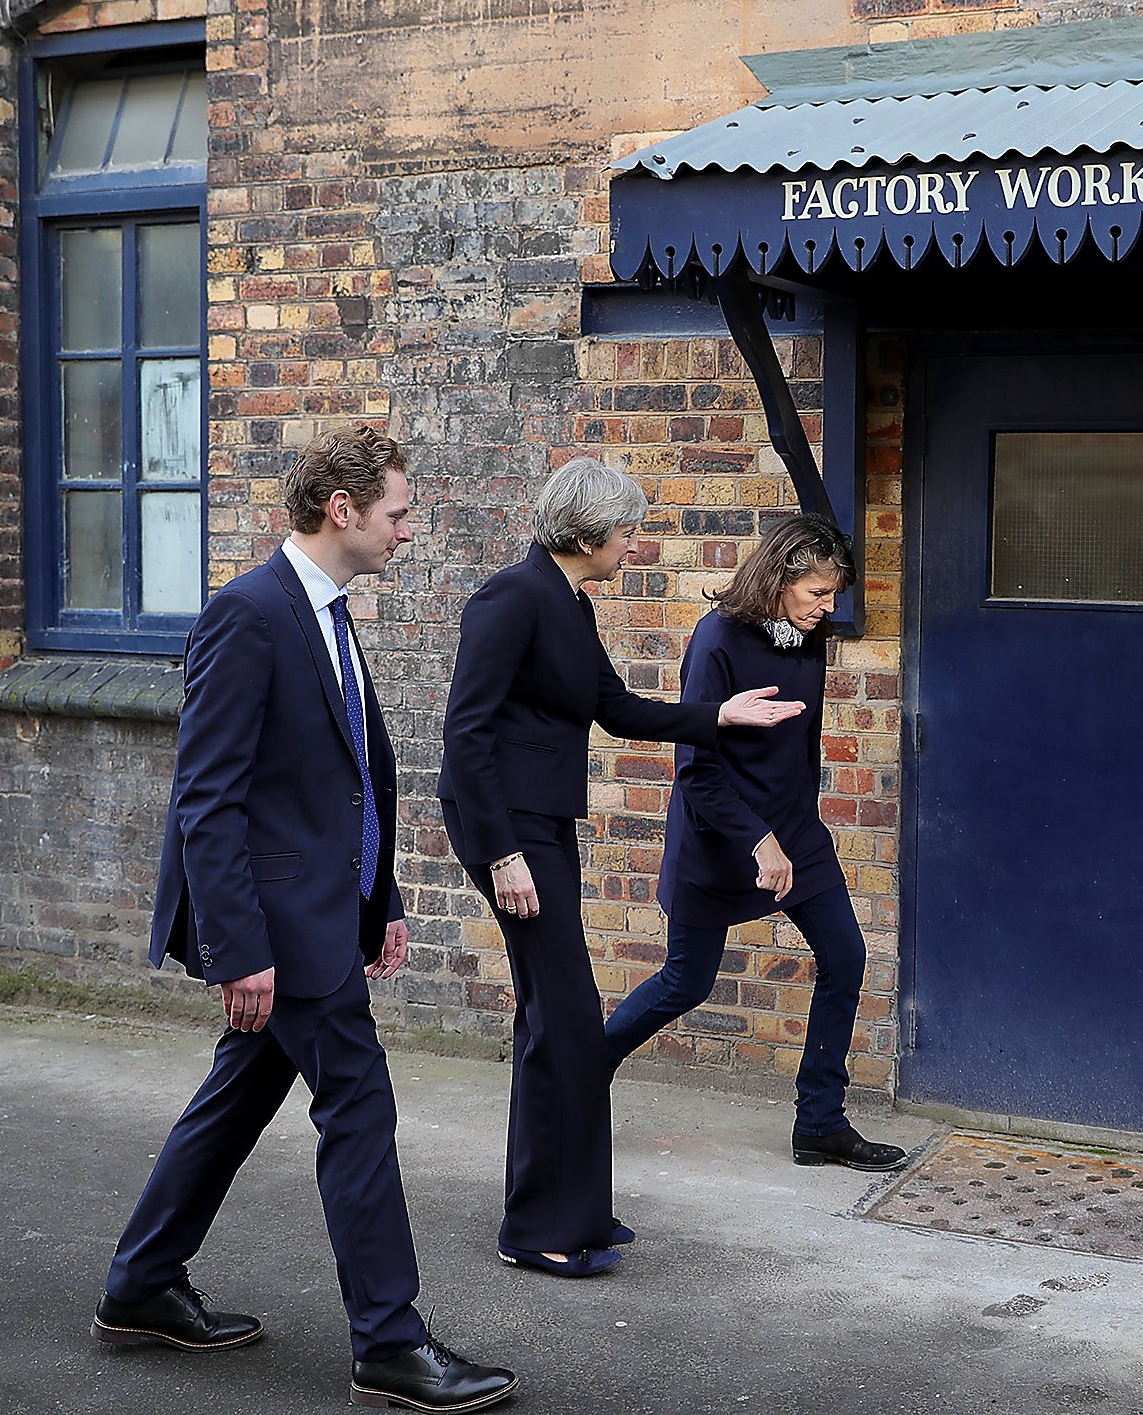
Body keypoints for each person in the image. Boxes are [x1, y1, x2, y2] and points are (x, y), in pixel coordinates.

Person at [94, 426, 517, 1414]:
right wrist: (240, 950)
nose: (407, 531)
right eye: (398, 513)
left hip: (325, 915)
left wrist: (382, 903)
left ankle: (141, 1282)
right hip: (277, 930)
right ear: (344, 510)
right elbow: (208, 799)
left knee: (241, 1090)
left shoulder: (324, 612)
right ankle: (390, 1343)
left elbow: (344, 782)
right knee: (359, 1103)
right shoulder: (250, 616)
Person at [438, 457, 804, 1279]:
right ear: (584, 532)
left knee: (554, 1018)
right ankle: (535, 1228)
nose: (634, 545)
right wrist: (502, 854)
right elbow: (466, 734)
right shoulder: (512, 596)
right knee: (564, 1018)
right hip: (508, 830)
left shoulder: (568, 602)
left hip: (542, 824)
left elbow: (617, 708)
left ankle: (579, 1212)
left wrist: (720, 714)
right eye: (628, 531)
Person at [605, 513, 907, 1180]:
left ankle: (821, 1124)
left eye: (833, 596)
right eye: (818, 595)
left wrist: (795, 832)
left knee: (846, 957)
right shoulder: (716, 641)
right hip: (721, 839)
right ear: (780, 578)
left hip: (795, 834)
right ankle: (580, 1078)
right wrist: (759, 842)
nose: (829, 609)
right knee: (686, 982)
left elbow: (797, 748)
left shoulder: (808, 638)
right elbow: (697, 771)